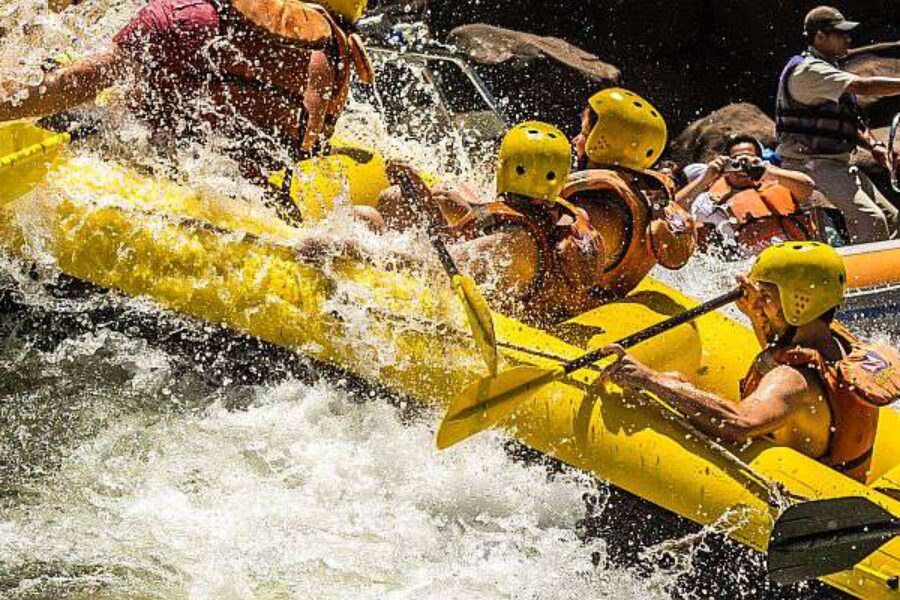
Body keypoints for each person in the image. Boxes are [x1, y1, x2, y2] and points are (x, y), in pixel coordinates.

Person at [602, 241, 900, 483]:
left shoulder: (792, 381)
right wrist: (759, 315)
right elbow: (780, 352)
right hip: (843, 482)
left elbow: (739, 422)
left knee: (675, 383)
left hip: (802, 501)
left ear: (798, 302)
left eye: (766, 295)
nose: (757, 302)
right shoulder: (838, 343)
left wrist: (650, 379)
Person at [0, 0, 373, 185]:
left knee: (73, 109)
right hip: (256, 193)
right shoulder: (338, 54)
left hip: (164, 177)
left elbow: (84, 81)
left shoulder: (188, 16)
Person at [380, 121, 607, 325]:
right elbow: (478, 219)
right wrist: (423, 194)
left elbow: (435, 268)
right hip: (535, 288)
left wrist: (365, 249)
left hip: (517, 325)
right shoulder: (566, 214)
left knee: (377, 210)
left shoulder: (510, 244)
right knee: (443, 195)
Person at [776, 5, 900, 244]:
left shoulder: (829, 69)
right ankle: (864, 270)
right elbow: (863, 86)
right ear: (820, 36)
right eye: (841, 34)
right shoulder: (808, 70)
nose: (848, 39)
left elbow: (847, 121)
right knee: (871, 221)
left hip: (838, 165)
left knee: (893, 219)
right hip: (809, 166)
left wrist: (874, 146)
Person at [565, 87, 696, 302]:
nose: (575, 140)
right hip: (609, 299)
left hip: (572, 311)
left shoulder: (593, 209)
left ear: (601, 143)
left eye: (583, 133)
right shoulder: (650, 194)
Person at [679, 134, 818, 258]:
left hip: (798, 255)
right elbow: (673, 213)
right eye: (735, 161)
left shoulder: (781, 182)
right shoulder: (711, 200)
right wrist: (705, 178)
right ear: (727, 165)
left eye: (750, 159)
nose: (742, 167)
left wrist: (765, 171)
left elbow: (808, 187)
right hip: (750, 266)